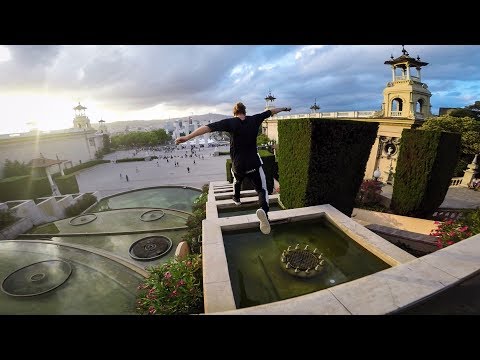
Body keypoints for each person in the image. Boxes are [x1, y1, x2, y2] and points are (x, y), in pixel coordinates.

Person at [175, 102, 291, 234]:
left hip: (238, 165)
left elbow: (207, 128)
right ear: (245, 111)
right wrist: (285, 108)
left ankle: (236, 199)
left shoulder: (230, 122)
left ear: (234, 112)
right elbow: (272, 111)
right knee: (261, 189)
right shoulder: (255, 119)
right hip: (253, 163)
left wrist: (187, 137)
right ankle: (264, 211)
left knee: (237, 180)